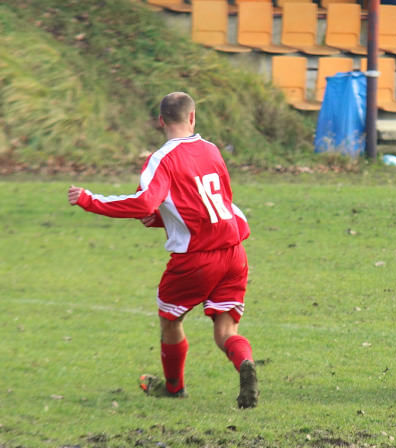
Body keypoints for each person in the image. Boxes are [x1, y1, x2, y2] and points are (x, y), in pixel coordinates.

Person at [67, 91, 259, 409]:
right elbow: (215, 203)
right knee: (226, 330)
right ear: (192, 117)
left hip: (196, 257)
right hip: (234, 250)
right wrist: (161, 219)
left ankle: (174, 388)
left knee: (170, 319)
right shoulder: (211, 150)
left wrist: (90, 199)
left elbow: (144, 201)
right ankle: (245, 364)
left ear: (160, 121)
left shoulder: (162, 159)